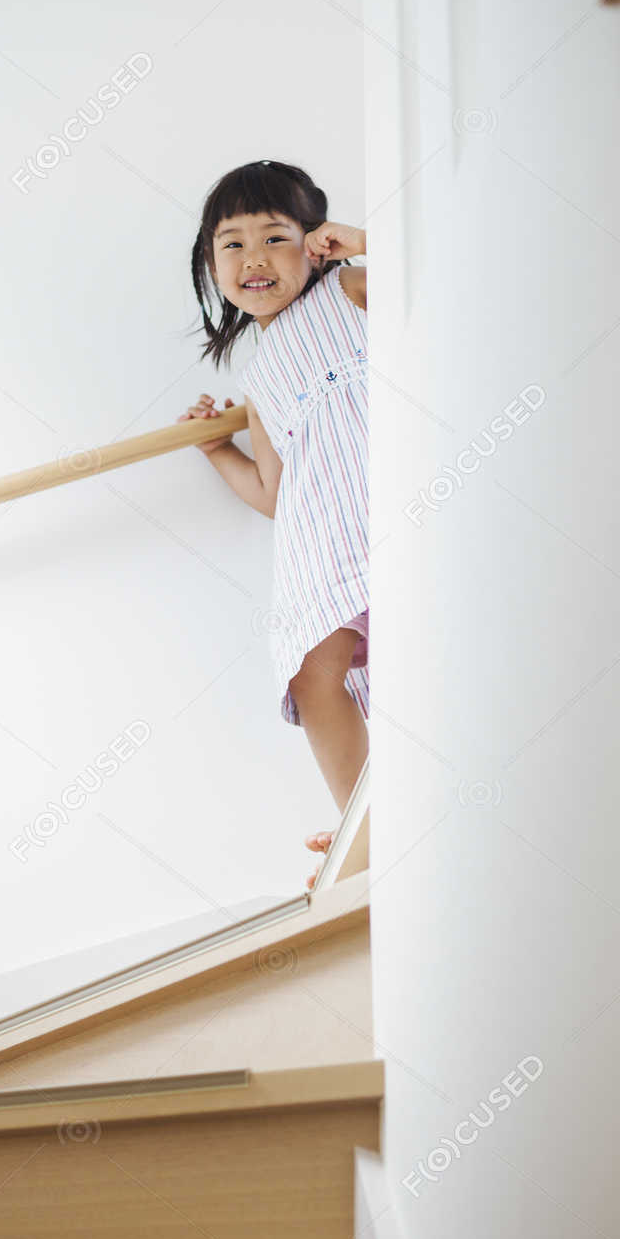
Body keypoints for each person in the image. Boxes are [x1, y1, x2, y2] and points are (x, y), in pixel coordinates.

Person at [179, 159, 368, 890]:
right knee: (315, 675)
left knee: (425, 661)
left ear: (316, 244)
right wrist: (216, 446)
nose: (254, 258)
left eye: (276, 237)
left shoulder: (351, 294)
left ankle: (395, 813)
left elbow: (443, 276)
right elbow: (272, 492)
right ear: (210, 265)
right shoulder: (258, 378)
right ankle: (363, 818)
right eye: (232, 244)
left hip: (390, 519)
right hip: (322, 546)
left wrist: (366, 241)